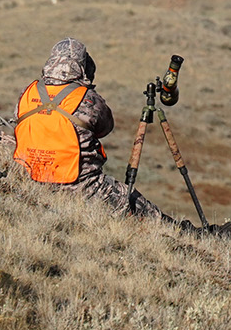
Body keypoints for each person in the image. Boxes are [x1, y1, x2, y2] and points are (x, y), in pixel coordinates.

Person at [13, 37, 178, 224]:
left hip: (28, 182)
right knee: (144, 210)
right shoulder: (87, 99)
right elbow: (106, 127)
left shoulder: (26, 93)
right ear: (83, 66)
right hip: (81, 187)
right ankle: (187, 232)